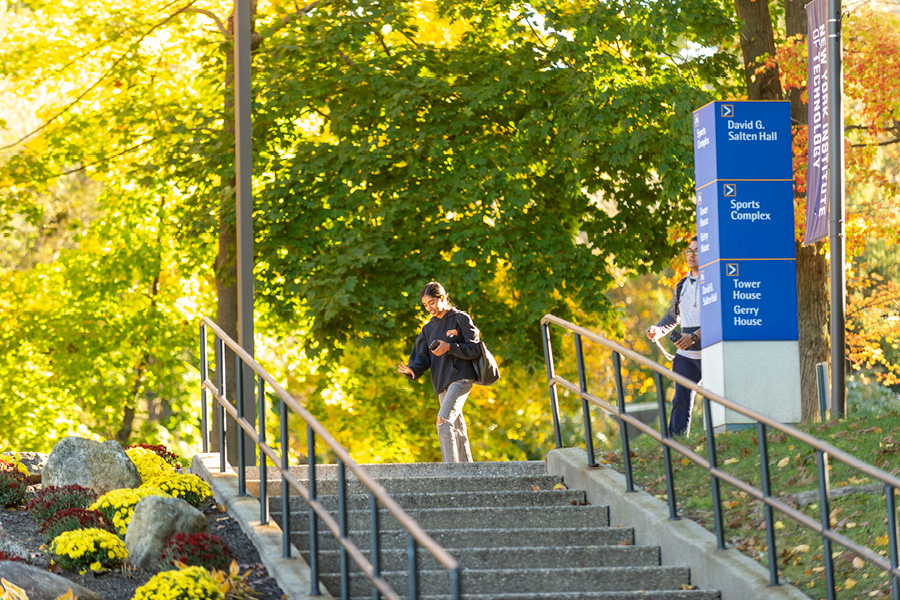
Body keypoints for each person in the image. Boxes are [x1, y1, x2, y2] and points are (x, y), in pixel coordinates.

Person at [397, 282, 481, 462]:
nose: (429, 308)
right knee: (456, 427)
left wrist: (449, 347)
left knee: (443, 421)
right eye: (425, 305)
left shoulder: (461, 319)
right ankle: (468, 473)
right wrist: (413, 369)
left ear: (442, 298)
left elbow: (475, 349)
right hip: (441, 382)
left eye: (432, 303)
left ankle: (451, 473)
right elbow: (422, 357)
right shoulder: (428, 328)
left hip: (461, 378)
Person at [645, 237, 702, 436]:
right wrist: (657, 330)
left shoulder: (715, 283)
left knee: (717, 400)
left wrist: (694, 336)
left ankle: (721, 441)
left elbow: (720, 318)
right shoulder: (681, 286)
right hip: (686, 355)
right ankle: (677, 445)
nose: (692, 255)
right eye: (689, 250)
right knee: (680, 400)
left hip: (711, 352)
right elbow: (672, 316)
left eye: (697, 250)